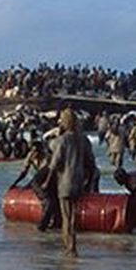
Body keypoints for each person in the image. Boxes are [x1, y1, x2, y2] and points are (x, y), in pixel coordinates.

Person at [44, 108, 97, 256]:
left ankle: (70, 248)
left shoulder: (62, 140)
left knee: (66, 216)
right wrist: (90, 180)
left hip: (65, 182)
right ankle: (72, 246)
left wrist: (47, 182)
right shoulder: (84, 140)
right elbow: (91, 162)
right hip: (79, 181)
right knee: (74, 215)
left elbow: (54, 163)